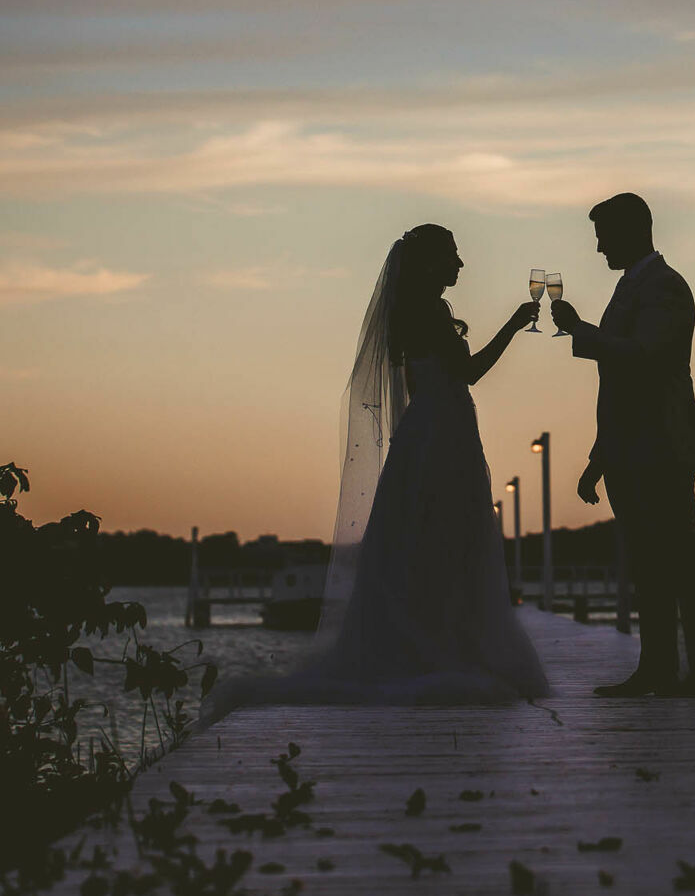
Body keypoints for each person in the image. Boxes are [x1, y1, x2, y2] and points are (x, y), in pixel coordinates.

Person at [201, 224, 548, 719]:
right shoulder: (426, 313)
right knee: (448, 537)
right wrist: (513, 326)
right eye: (453, 255)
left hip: (430, 430)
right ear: (430, 262)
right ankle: (444, 646)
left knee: (430, 540)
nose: (461, 265)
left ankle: (431, 639)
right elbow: (466, 374)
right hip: (441, 435)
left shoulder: (414, 311)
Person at [551, 193, 695, 698]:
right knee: (649, 563)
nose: (600, 247)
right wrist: (597, 459)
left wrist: (581, 331)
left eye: (604, 236)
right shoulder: (631, 286)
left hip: (661, 443)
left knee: (680, 558)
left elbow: (646, 357)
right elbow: (621, 389)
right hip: (630, 444)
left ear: (635, 230)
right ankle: (657, 669)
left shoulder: (665, 287)